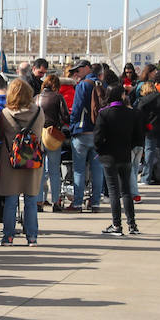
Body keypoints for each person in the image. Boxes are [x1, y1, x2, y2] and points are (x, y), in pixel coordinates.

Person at [0, 80, 46, 246]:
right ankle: (32, 237)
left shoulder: (6, 114)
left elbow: (0, 134)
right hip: (33, 161)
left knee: (11, 200)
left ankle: (8, 237)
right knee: (31, 200)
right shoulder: (38, 112)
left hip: (12, 161)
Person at [94, 84, 145, 235]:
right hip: (125, 155)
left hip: (109, 155)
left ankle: (117, 225)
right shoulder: (132, 113)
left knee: (114, 191)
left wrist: (100, 150)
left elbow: (97, 138)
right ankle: (132, 224)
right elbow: (138, 137)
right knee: (126, 190)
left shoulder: (104, 113)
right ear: (123, 96)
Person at [67, 61, 104, 212]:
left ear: (87, 68)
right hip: (98, 132)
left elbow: (77, 108)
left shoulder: (83, 85)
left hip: (82, 131)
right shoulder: (102, 84)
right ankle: (95, 203)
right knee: (97, 169)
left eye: (79, 69)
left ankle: (77, 203)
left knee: (79, 170)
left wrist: (71, 125)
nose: (76, 73)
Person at [37, 74, 69, 211]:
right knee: (54, 171)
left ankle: (39, 202)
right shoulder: (58, 97)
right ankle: (56, 202)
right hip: (53, 135)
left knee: (39, 171)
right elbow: (65, 116)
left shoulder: (36, 98)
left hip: (39, 135)